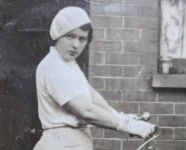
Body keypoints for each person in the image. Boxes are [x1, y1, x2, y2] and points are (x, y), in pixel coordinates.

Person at [33, 7, 156, 150]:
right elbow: (86, 111)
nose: (76, 45)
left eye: (82, 39)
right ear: (58, 34)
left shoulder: (68, 63)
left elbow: (92, 96)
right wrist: (127, 126)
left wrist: (121, 117)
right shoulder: (54, 66)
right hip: (61, 144)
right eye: (70, 36)